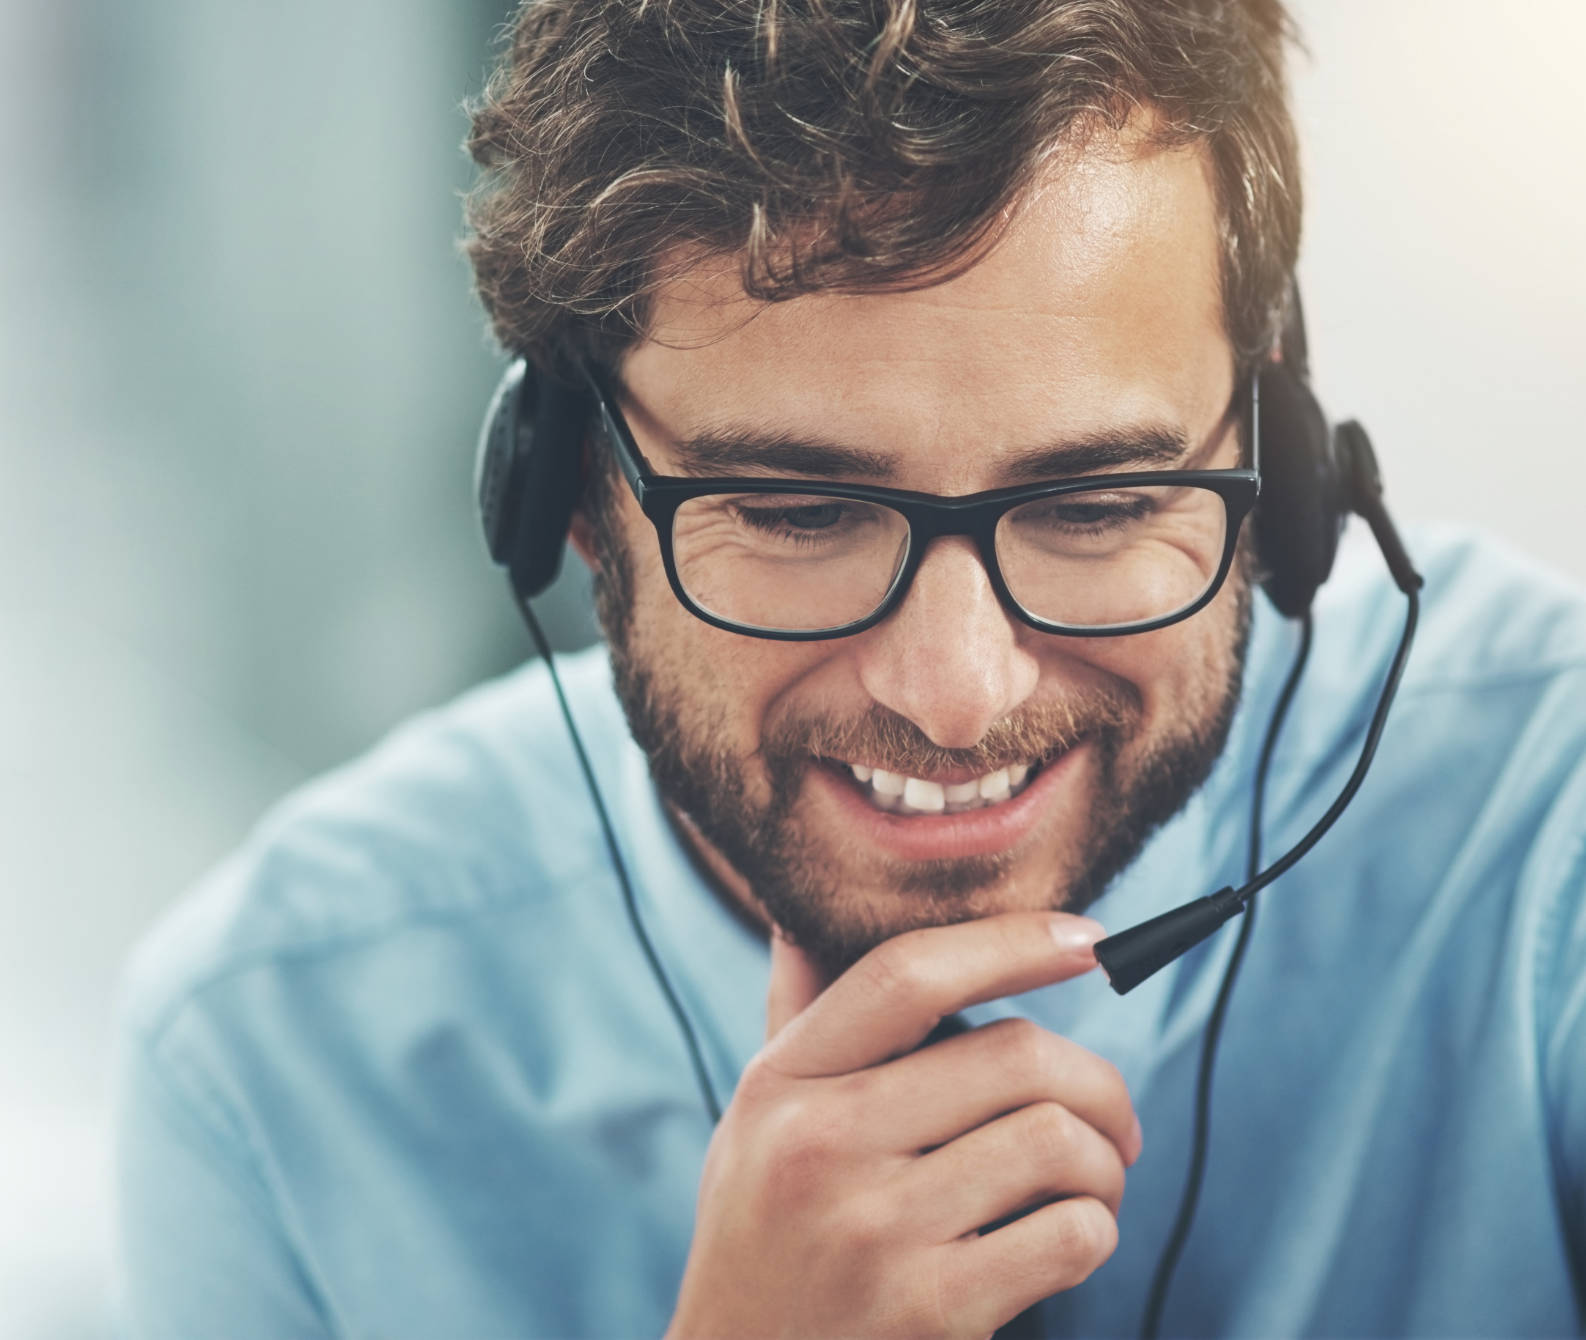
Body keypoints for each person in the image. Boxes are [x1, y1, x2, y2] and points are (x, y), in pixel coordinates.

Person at [113, 1, 1586, 1336]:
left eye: (1093, 505)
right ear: (566, 497)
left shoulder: (1546, 826)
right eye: (799, 510)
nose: (956, 692)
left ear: (1276, 471)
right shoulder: (268, 1055)